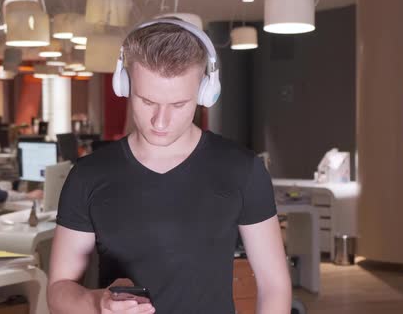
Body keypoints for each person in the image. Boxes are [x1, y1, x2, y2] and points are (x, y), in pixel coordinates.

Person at [48, 18, 291, 314]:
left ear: (205, 93)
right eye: (147, 101)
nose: (160, 122)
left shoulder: (243, 169)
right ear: (124, 84)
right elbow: (59, 288)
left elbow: (274, 285)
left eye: (178, 105)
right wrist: (97, 303)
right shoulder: (87, 175)